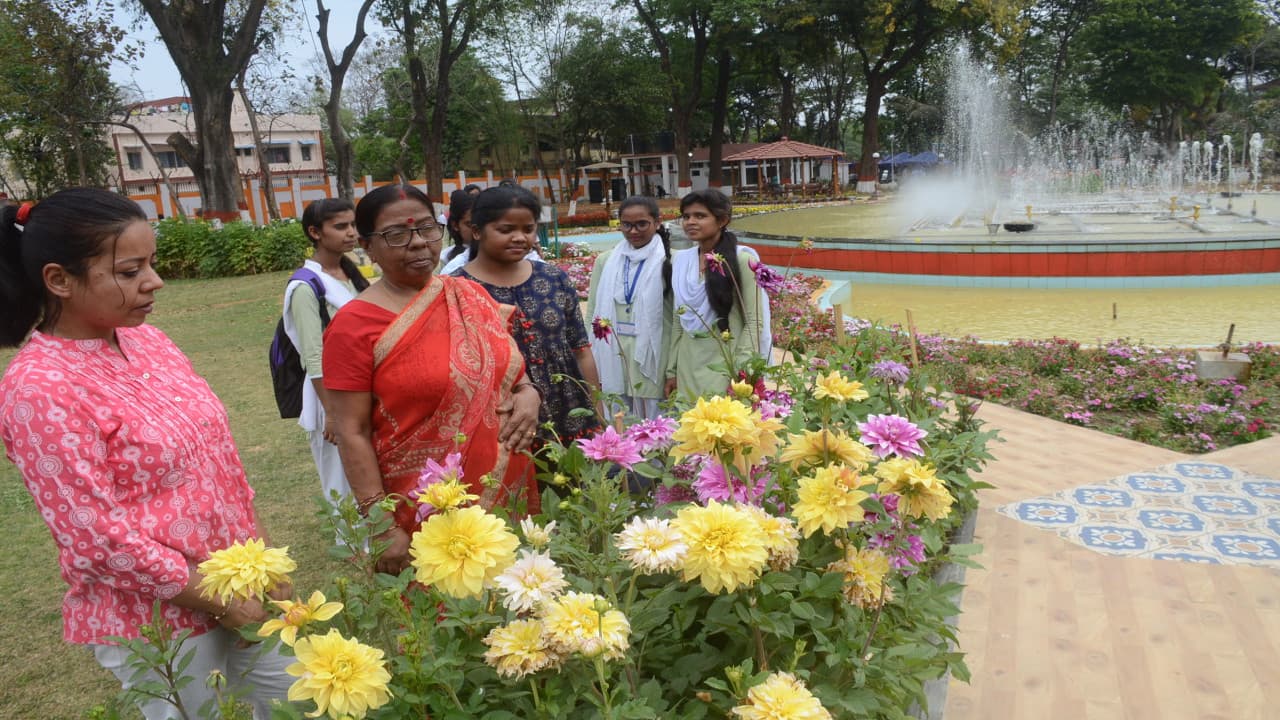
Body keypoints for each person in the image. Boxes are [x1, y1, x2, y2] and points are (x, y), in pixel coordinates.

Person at [0, 189, 292, 718]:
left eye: (151, 264)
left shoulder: (149, 342)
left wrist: (266, 559)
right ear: (59, 279)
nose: (154, 281)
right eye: (130, 271)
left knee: (299, 702)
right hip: (158, 621)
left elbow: (220, 464)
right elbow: (95, 537)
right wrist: (219, 599)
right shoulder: (40, 388)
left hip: (244, 584)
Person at [323, 184, 541, 575]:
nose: (418, 242)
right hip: (421, 507)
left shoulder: (470, 296)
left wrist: (529, 395)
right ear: (368, 246)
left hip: (507, 482)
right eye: (397, 234)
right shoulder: (352, 326)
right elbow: (351, 430)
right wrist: (380, 522)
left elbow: (513, 374)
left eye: (426, 228)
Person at [453, 186, 601, 443]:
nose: (520, 238)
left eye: (528, 229)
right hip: (502, 418)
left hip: (569, 412)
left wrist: (597, 411)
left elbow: (581, 350)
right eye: (506, 230)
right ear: (476, 231)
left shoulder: (554, 278)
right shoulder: (458, 289)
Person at [285, 198, 370, 507]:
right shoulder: (305, 286)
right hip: (331, 394)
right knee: (342, 480)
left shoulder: (351, 274)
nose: (351, 233)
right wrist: (332, 413)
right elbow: (313, 355)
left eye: (353, 225)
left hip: (363, 387)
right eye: (340, 226)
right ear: (315, 232)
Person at [665, 189, 769, 399]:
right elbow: (679, 319)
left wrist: (741, 370)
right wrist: (672, 370)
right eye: (686, 216)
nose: (690, 222)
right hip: (687, 363)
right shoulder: (681, 262)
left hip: (725, 363)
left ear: (722, 220)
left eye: (700, 216)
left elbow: (754, 321)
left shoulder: (741, 261)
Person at [587, 196, 672, 420]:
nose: (633, 231)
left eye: (642, 224)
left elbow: (675, 318)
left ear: (657, 222)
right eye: (626, 225)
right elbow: (593, 311)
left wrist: (673, 367)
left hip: (654, 354)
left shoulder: (670, 260)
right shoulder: (606, 261)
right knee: (618, 418)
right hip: (613, 351)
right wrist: (590, 357)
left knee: (654, 423)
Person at [440, 189, 476, 269]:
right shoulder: (444, 259)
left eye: (482, 222)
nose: (476, 230)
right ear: (455, 225)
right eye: (469, 224)